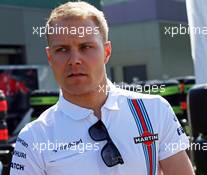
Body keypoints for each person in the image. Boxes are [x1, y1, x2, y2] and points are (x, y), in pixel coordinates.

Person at [10, 1, 195, 175]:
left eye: (86, 47)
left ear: (106, 52)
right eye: (62, 50)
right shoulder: (34, 138)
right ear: (50, 57)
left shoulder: (155, 110)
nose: (74, 60)